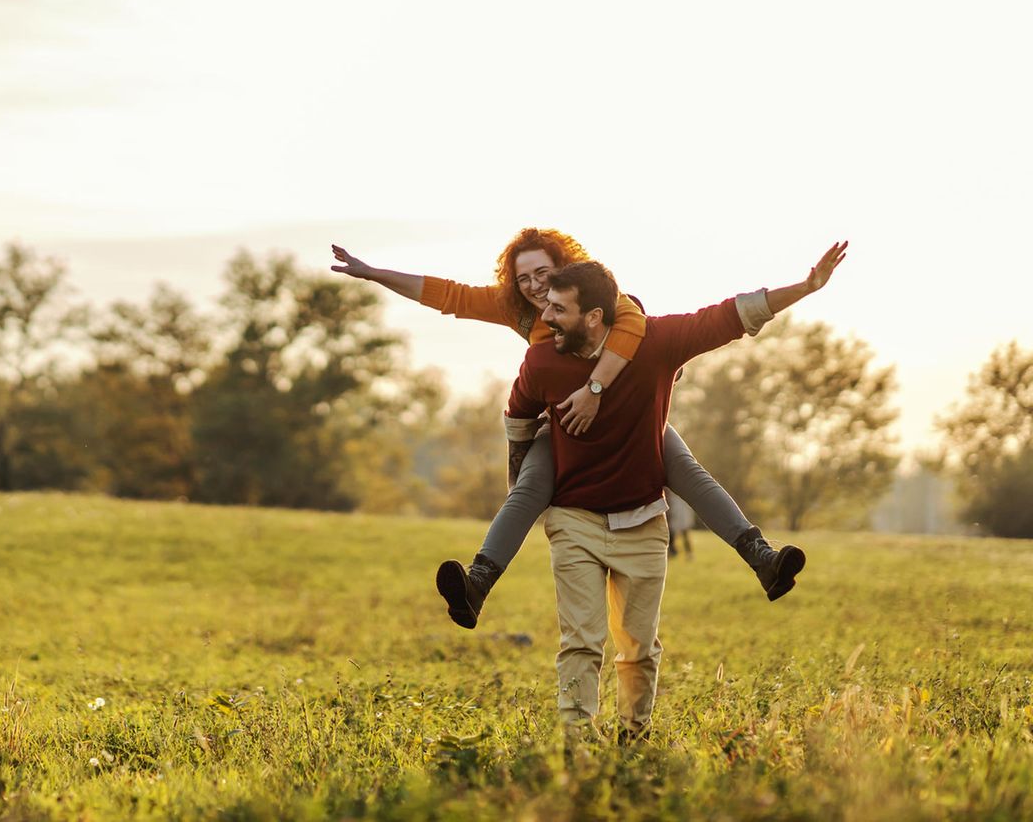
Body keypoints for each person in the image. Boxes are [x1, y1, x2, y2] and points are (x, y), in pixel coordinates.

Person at [330, 230, 802, 627]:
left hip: (631, 420)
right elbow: (446, 295)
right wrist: (373, 273)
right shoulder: (519, 311)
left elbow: (649, 326)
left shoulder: (609, 303)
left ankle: (762, 558)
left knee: (687, 472)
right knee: (528, 488)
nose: (535, 287)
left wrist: (595, 389)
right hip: (563, 427)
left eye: (542, 273)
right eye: (523, 278)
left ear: (565, 267)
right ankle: (476, 584)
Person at [505, 243, 846, 739]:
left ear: (595, 316)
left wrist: (806, 287)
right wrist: (522, 485)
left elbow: (732, 315)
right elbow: (517, 419)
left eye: (559, 309)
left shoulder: (658, 341)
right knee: (581, 641)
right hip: (574, 518)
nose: (546, 317)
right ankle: (576, 741)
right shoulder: (542, 361)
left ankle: (633, 735)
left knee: (639, 646)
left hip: (642, 520)